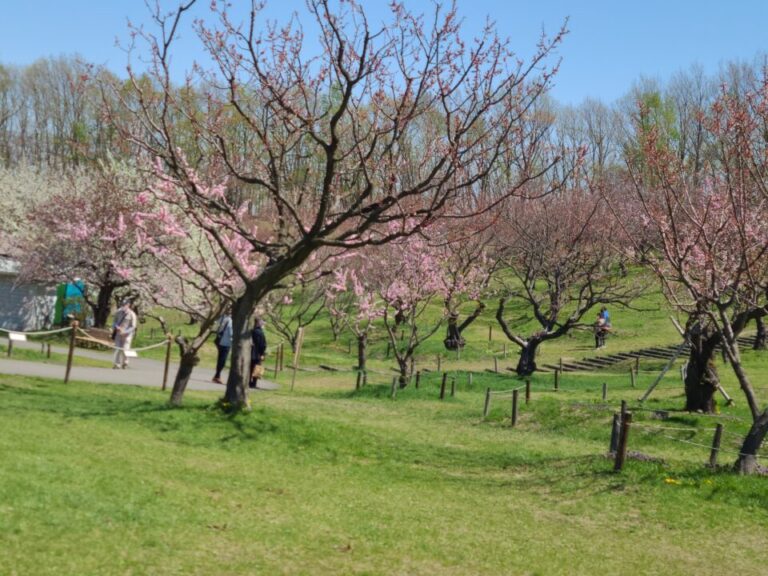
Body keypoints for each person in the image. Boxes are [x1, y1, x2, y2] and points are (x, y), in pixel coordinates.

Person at [112, 300, 137, 369]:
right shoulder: (118, 312)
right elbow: (114, 322)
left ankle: (125, 363)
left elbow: (133, 326)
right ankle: (117, 364)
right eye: (122, 304)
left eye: (125, 305)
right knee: (117, 348)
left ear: (128, 305)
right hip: (118, 333)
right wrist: (116, 327)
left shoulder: (132, 314)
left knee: (125, 349)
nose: (123, 306)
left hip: (127, 335)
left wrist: (125, 332)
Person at [212, 309, 233, 384]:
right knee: (222, 360)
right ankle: (217, 376)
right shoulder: (230, 321)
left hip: (219, 341)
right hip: (226, 342)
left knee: (220, 359)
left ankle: (217, 375)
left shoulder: (222, 318)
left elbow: (216, 326)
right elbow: (231, 333)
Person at [250, 317, 267, 389]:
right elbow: (263, 344)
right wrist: (262, 353)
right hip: (258, 353)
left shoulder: (252, 331)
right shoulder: (260, 332)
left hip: (251, 352)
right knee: (258, 368)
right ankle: (254, 383)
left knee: (250, 368)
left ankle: (248, 381)